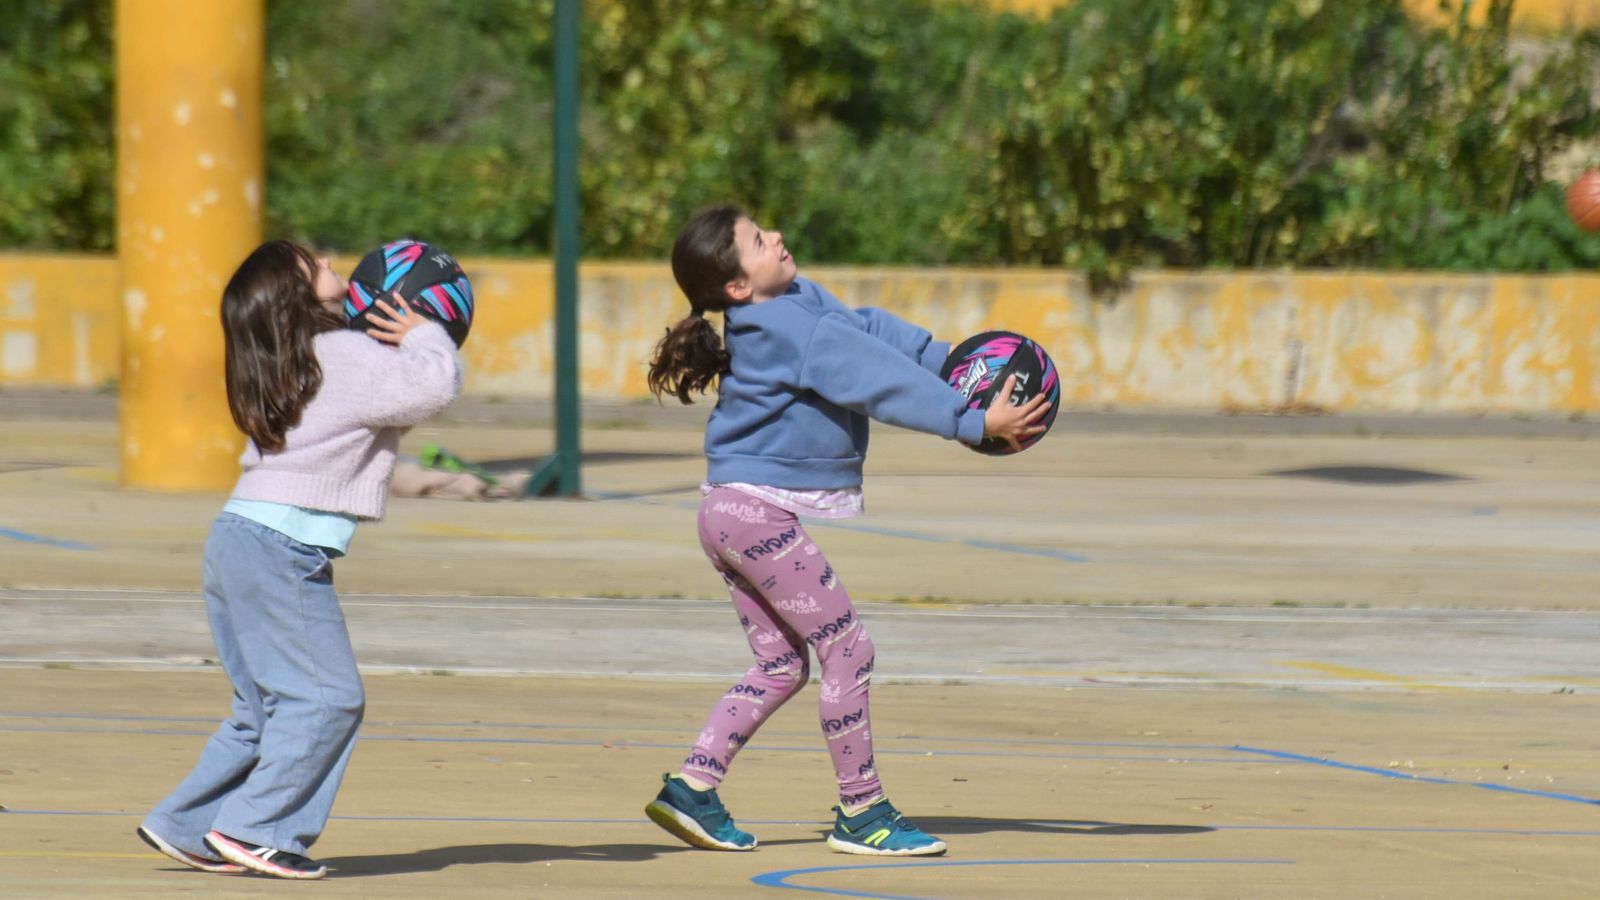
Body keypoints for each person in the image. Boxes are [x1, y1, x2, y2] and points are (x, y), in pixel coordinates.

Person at [641, 205, 1050, 856]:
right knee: (849, 652)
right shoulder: (784, 329)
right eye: (756, 240)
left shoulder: (796, 302)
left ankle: (692, 787)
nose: (775, 236)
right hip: (753, 516)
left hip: (728, 511)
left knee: (780, 664)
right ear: (737, 287)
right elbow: (877, 380)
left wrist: (947, 360)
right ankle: (863, 812)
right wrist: (971, 422)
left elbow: (868, 332)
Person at [136, 240, 462, 879]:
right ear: (296, 293)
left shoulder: (294, 357)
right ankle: (258, 831)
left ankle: (189, 826)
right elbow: (430, 390)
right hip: (278, 550)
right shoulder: (342, 354)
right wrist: (429, 334)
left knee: (264, 708)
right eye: (317, 262)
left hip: (239, 538)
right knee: (327, 699)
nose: (334, 260)